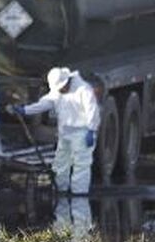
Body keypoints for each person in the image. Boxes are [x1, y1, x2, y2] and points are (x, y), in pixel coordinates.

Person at [11, 67, 99, 195]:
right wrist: (25, 110)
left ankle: (79, 195)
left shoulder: (83, 90)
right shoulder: (57, 93)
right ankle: (61, 191)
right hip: (65, 134)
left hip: (81, 133)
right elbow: (44, 104)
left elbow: (92, 111)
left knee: (81, 165)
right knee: (61, 164)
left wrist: (91, 130)